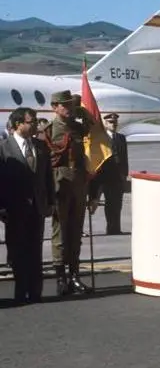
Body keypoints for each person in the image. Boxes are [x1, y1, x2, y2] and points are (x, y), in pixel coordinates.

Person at [41, 90, 94, 296]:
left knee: (76, 232)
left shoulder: (77, 128)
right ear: (54, 107)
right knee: (60, 233)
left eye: (71, 104)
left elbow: (93, 125)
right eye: (65, 105)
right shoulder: (49, 131)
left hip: (78, 185)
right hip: (59, 185)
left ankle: (74, 275)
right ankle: (61, 278)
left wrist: (82, 110)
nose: (69, 108)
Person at [0, 107, 54, 304]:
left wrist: (50, 201)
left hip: (37, 208)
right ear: (18, 124)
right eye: (31, 122)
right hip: (14, 209)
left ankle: (35, 292)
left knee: (35, 250)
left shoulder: (40, 147)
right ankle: (20, 292)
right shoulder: (4, 148)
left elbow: (48, 177)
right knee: (17, 250)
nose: (36, 125)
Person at [89, 113, 129, 235]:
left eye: (115, 122)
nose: (113, 124)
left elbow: (124, 157)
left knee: (115, 203)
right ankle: (80, 230)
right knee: (95, 202)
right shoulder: (101, 138)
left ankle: (114, 228)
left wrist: (124, 173)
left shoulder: (121, 138)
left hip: (117, 176)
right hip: (103, 175)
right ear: (105, 124)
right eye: (111, 122)